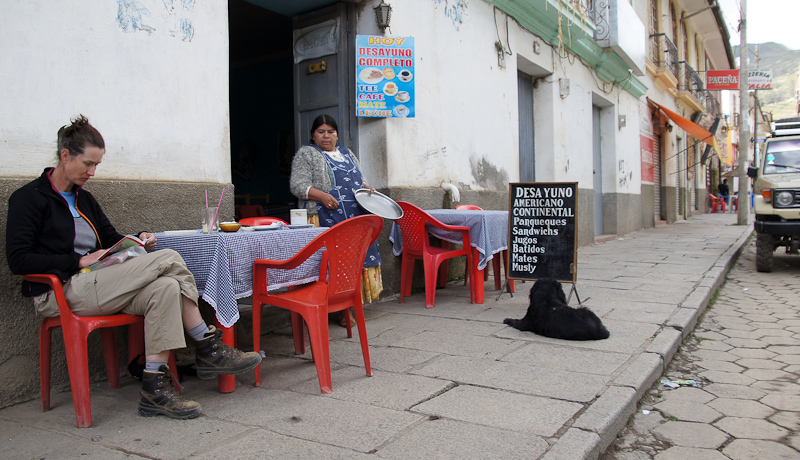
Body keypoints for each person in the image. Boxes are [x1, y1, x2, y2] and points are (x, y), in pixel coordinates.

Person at [6, 115, 261, 420]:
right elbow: (18, 260)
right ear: (65, 156)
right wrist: (76, 261)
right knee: (169, 259)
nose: (92, 171)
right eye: (88, 163)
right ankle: (208, 347)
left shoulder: (84, 200)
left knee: (166, 286)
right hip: (62, 289)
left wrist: (138, 239)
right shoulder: (28, 199)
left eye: (97, 164)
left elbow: (112, 240)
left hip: (101, 283)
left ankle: (154, 389)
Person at [289, 114, 383, 325]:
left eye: (330, 131)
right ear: (313, 135)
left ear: (337, 134)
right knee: (333, 261)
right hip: (326, 217)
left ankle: (350, 305)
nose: (326, 136)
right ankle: (331, 307)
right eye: (320, 132)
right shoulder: (307, 154)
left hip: (355, 215)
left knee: (355, 259)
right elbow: (297, 186)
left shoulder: (347, 153)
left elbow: (360, 178)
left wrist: (368, 188)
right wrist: (321, 195)